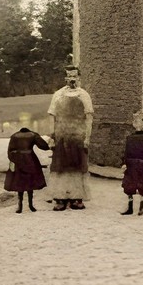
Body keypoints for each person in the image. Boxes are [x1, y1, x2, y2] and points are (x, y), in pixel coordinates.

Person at [47, 67, 93, 210]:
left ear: (79, 77)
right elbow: (51, 116)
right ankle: (60, 198)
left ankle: (76, 198)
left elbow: (89, 117)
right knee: (60, 168)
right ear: (65, 78)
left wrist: (87, 137)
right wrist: (51, 136)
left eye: (74, 76)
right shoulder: (58, 94)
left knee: (77, 168)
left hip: (78, 138)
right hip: (62, 136)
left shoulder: (84, 95)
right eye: (69, 76)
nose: (72, 79)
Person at [5, 125, 50, 213]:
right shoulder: (33, 135)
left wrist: (13, 160)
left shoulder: (14, 136)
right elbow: (44, 146)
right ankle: (30, 205)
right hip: (31, 160)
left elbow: (10, 150)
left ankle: (20, 206)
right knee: (30, 183)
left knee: (20, 183)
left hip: (18, 160)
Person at [121, 112, 143, 215]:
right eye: (135, 122)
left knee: (142, 186)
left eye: (138, 122)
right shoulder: (130, 137)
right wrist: (124, 163)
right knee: (129, 186)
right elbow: (126, 152)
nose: (136, 124)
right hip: (131, 165)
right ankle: (130, 207)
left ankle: (141, 205)